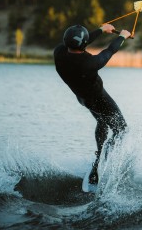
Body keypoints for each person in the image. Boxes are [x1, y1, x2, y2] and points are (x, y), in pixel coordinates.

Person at [54, 24, 131, 185]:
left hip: (84, 99)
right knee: (122, 130)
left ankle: (98, 160)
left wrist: (102, 30)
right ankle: (103, 162)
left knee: (102, 122)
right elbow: (109, 51)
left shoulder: (59, 53)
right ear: (84, 44)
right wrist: (122, 36)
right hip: (99, 99)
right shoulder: (89, 63)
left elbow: (80, 43)